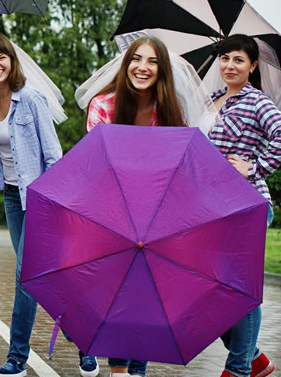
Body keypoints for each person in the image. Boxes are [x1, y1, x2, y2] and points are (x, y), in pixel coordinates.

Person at [85, 35, 187, 377]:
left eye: (152, 61)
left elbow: (180, 165)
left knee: (146, 297)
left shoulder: (172, 113)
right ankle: (117, 369)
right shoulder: (103, 105)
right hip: (114, 213)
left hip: (157, 217)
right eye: (137, 59)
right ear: (126, 63)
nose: (143, 67)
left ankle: (136, 371)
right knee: (117, 294)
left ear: (161, 70)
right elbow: (99, 163)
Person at [0, 32, 72, 377]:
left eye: (0, 56)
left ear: (12, 60)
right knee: (45, 278)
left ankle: (17, 355)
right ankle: (84, 340)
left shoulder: (30, 98)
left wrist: (54, 204)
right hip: (12, 197)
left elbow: (54, 154)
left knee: (25, 276)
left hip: (41, 197)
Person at [207, 34, 281, 377]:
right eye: (225, 58)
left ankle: (239, 369)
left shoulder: (257, 101)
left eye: (239, 60)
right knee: (209, 290)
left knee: (242, 291)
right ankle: (255, 358)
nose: (230, 65)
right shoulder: (211, 100)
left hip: (246, 205)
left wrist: (254, 166)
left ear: (252, 66)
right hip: (211, 210)